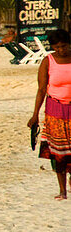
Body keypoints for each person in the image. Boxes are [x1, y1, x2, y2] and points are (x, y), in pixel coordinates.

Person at [28, 28, 71, 200]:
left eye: (64, 46)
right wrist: (34, 115)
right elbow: (41, 89)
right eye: (57, 47)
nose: (61, 50)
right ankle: (62, 190)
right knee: (58, 152)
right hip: (55, 111)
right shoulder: (48, 61)